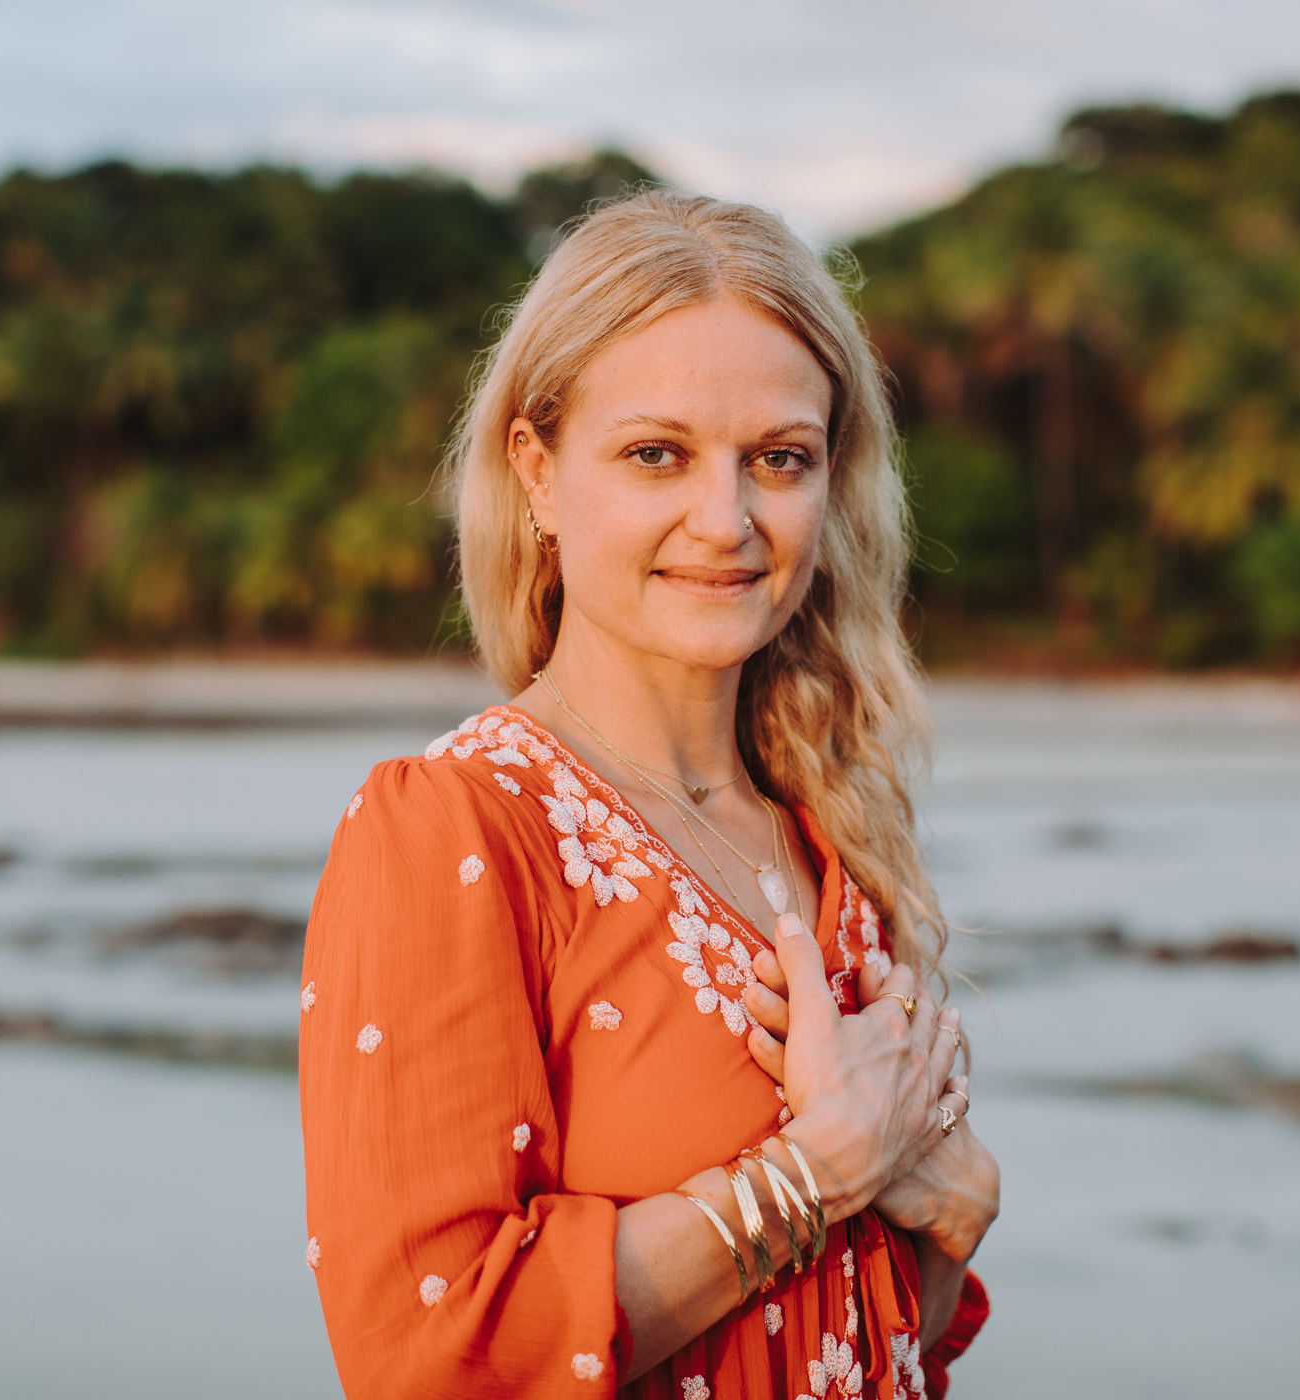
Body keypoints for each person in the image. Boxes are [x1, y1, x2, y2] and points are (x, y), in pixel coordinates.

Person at [298, 189, 1000, 1398]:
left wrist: (956, 1213)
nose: (726, 521)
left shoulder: (828, 832)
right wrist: (817, 1170)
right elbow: (429, 1362)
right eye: (655, 453)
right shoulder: (457, 829)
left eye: (779, 458)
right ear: (537, 472)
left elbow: (877, 1346)